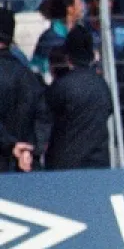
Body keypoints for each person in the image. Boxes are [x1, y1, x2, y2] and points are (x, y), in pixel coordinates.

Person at [41, 25, 112, 170]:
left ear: (68, 57)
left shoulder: (62, 86)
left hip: (66, 164)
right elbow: (108, 109)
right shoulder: (102, 85)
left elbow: (44, 114)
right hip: (98, 163)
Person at [0, 8, 42, 172]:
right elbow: (43, 117)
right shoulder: (28, 75)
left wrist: (11, 144)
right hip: (23, 164)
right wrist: (30, 150)